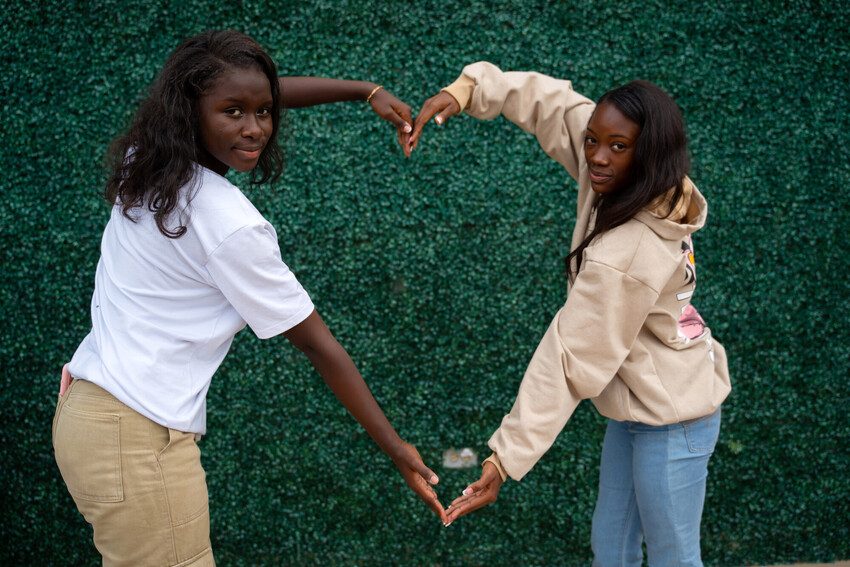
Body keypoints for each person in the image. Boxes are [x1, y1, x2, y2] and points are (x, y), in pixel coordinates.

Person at [52, 30, 445, 567]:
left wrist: (362, 90)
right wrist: (397, 449)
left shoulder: (145, 162)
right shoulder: (228, 223)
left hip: (90, 413)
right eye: (232, 112)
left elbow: (257, 92)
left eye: (264, 112)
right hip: (136, 438)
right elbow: (318, 346)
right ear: (186, 111)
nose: (255, 127)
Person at [410, 62, 731, 566]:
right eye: (593, 141)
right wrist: (468, 90)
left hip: (674, 420)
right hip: (635, 411)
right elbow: (554, 106)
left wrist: (503, 460)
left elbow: (568, 356)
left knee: (674, 557)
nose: (597, 158)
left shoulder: (629, 249)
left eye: (618, 146)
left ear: (650, 153)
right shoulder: (623, 181)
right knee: (612, 548)